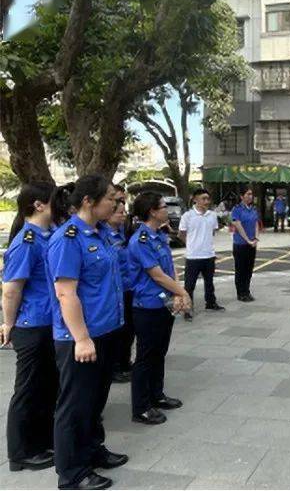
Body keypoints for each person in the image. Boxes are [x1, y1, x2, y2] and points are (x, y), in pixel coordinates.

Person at [46, 175, 128, 490]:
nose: (117, 203)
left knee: (95, 401)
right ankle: (72, 472)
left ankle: (94, 450)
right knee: (75, 406)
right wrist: (81, 338)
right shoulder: (68, 238)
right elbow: (66, 293)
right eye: (111, 198)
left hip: (105, 332)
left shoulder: (102, 234)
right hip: (80, 338)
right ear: (87, 202)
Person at [1, 182, 57, 473]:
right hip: (31, 325)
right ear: (38, 205)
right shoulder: (26, 241)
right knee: (28, 390)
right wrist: (8, 324)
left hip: (48, 323)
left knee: (46, 388)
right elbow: (11, 289)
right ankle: (21, 453)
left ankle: (40, 442)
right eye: (54, 199)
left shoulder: (47, 236)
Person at [128, 192, 191, 426]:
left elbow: (170, 269)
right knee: (146, 356)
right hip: (147, 305)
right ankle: (141, 407)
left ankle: (157, 394)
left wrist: (176, 292)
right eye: (164, 206)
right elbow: (156, 275)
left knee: (159, 352)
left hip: (164, 302)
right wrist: (182, 293)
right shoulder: (140, 241)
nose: (167, 210)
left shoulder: (159, 236)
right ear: (153, 212)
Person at [179, 188, 225, 321]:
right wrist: (191, 244)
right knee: (189, 285)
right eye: (203, 199)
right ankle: (187, 308)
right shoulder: (187, 216)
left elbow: (212, 232)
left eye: (207, 199)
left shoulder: (212, 215)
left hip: (209, 255)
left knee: (209, 282)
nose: (206, 201)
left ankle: (210, 303)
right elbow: (181, 234)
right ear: (195, 199)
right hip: (193, 256)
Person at [104, 186, 135, 384]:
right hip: (116, 291)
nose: (123, 215)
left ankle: (124, 362)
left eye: (124, 211)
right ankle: (115, 367)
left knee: (129, 329)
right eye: (119, 212)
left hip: (129, 288)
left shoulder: (123, 231)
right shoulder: (104, 235)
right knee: (118, 332)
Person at [231, 186, 260, 302]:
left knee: (249, 269)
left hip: (252, 244)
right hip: (240, 244)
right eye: (247, 194)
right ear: (242, 196)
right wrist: (248, 240)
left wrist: (256, 238)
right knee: (240, 270)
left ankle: (247, 291)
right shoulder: (237, 209)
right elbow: (238, 225)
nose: (250, 196)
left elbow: (256, 224)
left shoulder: (253, 209)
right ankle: (241, 293)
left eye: (251, 194)